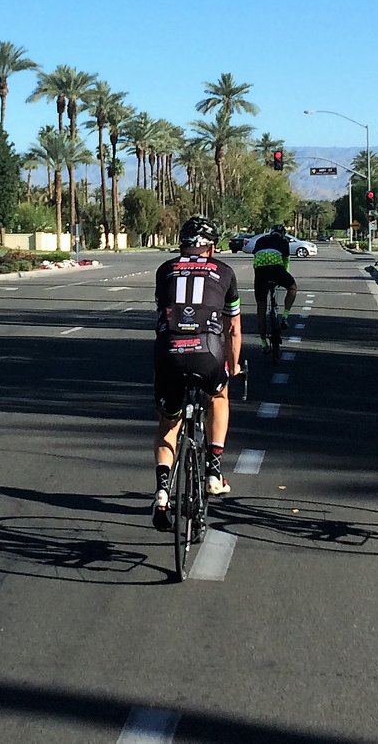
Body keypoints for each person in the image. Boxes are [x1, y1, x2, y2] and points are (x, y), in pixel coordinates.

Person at [151, 214, 243, 529]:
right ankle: (214, 471)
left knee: (168, 423)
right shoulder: (225, 271)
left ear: (181, 245)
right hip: (208, 352)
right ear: (212, 248)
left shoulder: (164, 269)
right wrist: (234, 364)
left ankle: (162, 492)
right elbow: (233, 329)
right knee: (219, 396)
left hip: (170, 352)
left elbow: (163, 313)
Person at [250, 223, 298, 344]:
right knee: (292, 288)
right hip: (276, 269)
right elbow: (286, 262)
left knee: (261, 306)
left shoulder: (260, 240)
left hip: (260, 272)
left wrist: (257, 276)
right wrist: (284, 277)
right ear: (283, 234)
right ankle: (285, 316)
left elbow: (255, 260)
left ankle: (263, 342)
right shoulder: (283, 241)